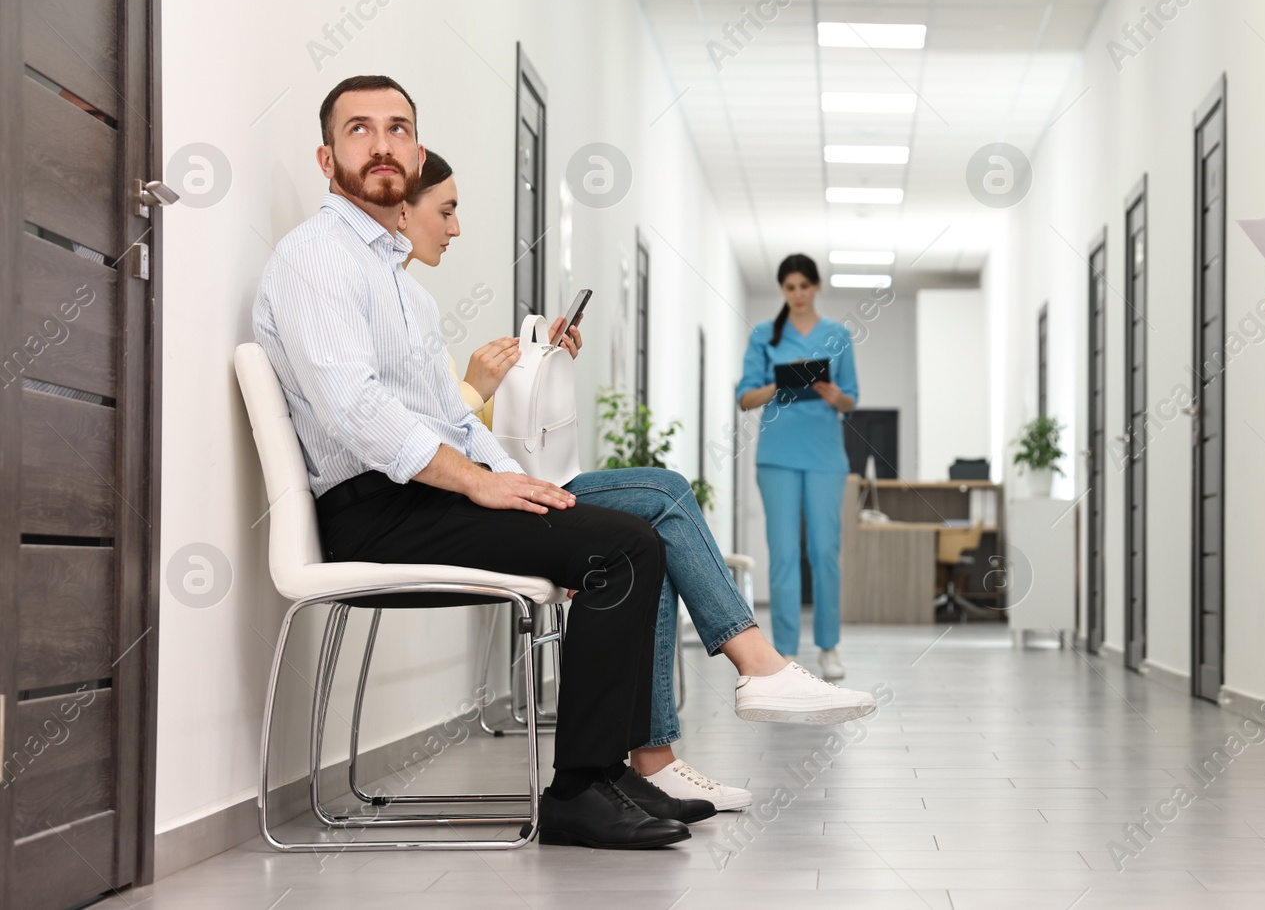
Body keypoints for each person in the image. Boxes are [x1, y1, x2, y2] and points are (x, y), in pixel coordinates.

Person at [253, 75, 708, 850]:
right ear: (327, 158)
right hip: (375, 513)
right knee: (623, 549)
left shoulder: (403, 288)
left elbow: (456, 418)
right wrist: (479, 484)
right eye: (359, 130)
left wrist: (516, 483)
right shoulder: (317, 259)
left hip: (422, 499)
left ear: (416, 150)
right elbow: (356, 412)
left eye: (398, 128)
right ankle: (579, 789)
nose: (382, 143)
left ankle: (608, 772)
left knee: (629, 531)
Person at [396, 152, 879, 812]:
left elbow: (460, 425)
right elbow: (419, 435)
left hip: (493, 481)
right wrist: (477, 386)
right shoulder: (382, 303)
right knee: (657, 505)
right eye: (446, 211)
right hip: (457, 499)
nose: (456, 228)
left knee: (680, 510)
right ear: (401, 209)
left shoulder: (411, 307)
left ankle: (664, 751)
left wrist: (530, 366)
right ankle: (758, 668)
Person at [736, 254, 859, 680]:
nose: (798, 295)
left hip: (825, 457)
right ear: (783, 290)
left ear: (816, 286)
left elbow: (851, 400)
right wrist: (779, 384)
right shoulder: (765, 337)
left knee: (824, 552)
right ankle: (784, 652)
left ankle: (828, 647)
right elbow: (745, 398)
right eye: (789, 288)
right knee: (784, 554)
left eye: (804, 286)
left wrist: (830, 393)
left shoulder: (838, 336)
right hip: (777, 459)